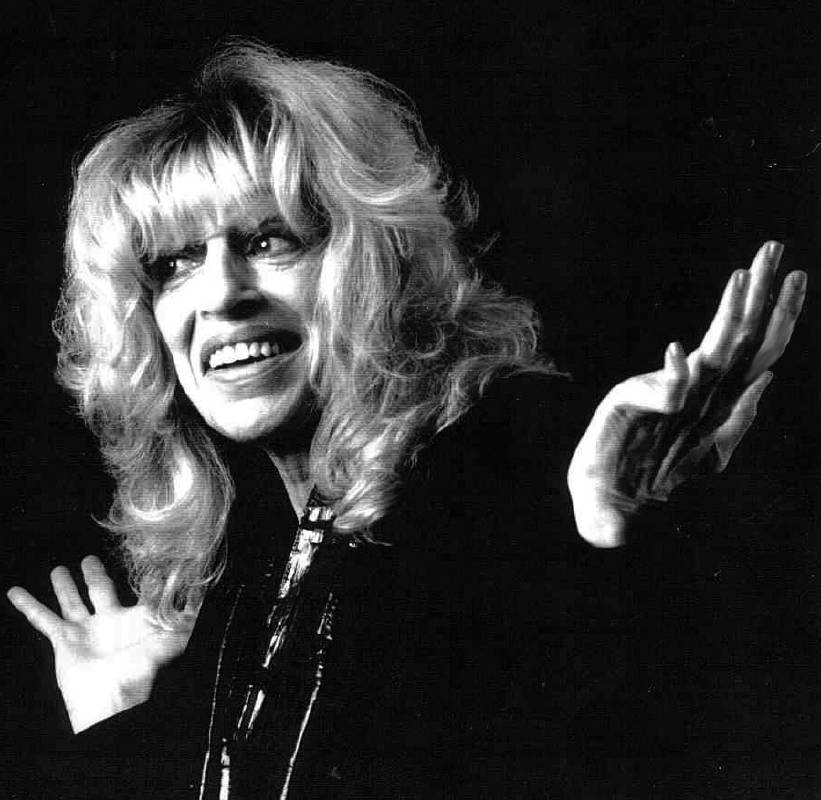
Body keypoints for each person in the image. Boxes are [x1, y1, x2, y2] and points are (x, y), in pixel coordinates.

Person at [6, 42, 806, 798]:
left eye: (270, 239)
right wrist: (121, 721)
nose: (219, 294)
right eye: (173, 264)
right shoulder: (254, 567)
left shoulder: (506, 472)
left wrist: (616, 553)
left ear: (378, 255)